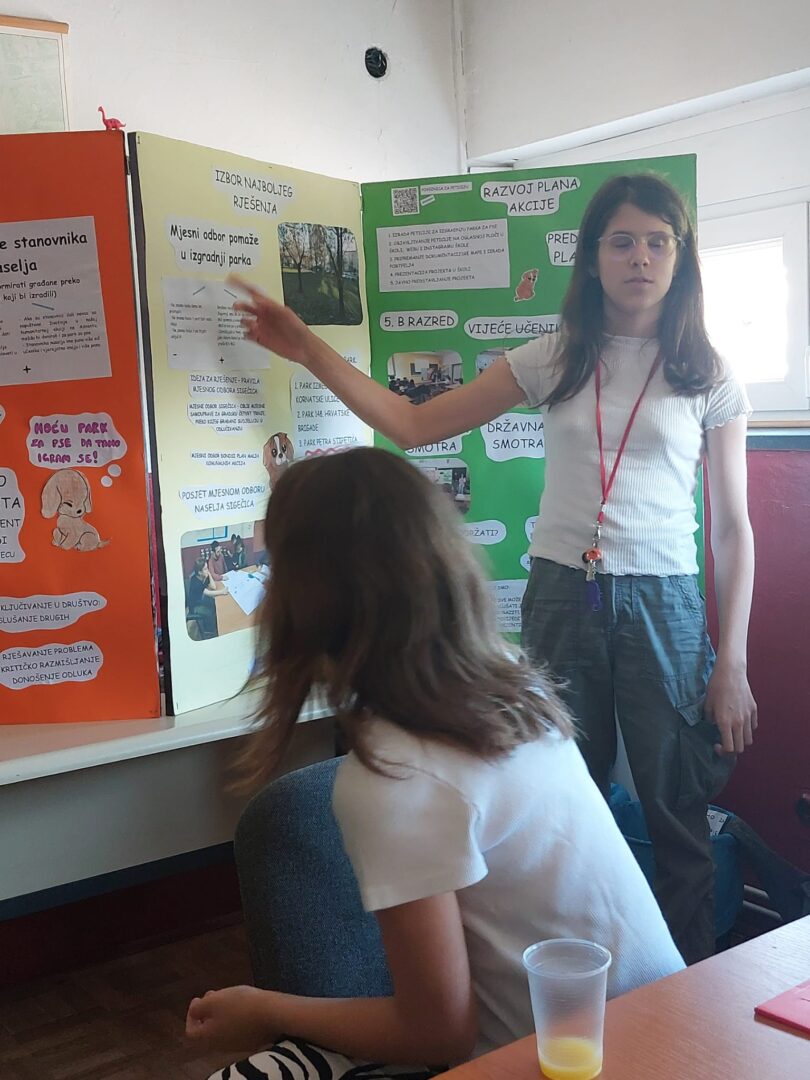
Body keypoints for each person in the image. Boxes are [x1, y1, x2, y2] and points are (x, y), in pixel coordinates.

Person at [229, 173, 757, 965]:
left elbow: (733, 530)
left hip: (667, 604)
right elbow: (412, 424)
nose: (640, 258)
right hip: (564, 593)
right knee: (554, 802)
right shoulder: (556, 356)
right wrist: (307, 347)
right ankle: (562, 982)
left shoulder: (708, 373)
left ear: (681, 258)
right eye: (622, 241)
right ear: (592, 257)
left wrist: (732, 662)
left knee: (677, 817)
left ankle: (684, 998)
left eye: (658, 242)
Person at [187, 448, 684, 1080]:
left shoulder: (393, 779)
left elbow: (438, 1031)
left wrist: (264, 1010)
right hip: (669, 1028)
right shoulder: (512, 684)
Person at [186, 558, 219, 638]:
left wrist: (209, 574)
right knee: (210, 613)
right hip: (195, 606)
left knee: (216, 606)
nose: (207, 570)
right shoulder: (195, 581)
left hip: (201, 600)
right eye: (205, 569)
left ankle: (212, 626)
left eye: (207, 568)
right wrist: (223, 592)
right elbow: (209, 593)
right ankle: (210, 631)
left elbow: (213, 587)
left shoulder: (204, 575)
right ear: (199, 572)